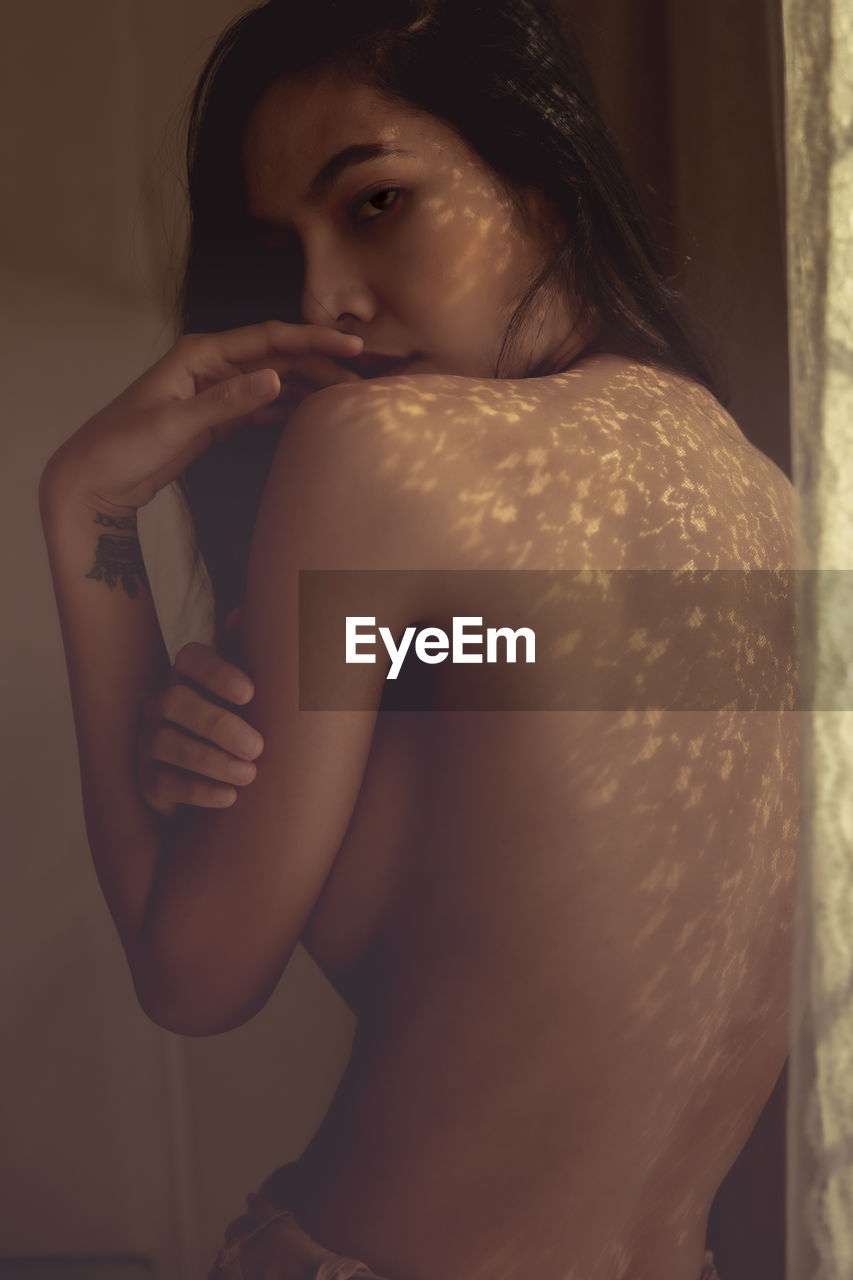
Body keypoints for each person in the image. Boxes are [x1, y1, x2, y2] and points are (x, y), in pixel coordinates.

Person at [37, 1, 799, 1277]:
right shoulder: (774, 509)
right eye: (284, 245)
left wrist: (89, 515)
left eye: (377, 201)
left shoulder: (386, 453)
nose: (325, 301)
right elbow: (514, 928)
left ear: (543, 187)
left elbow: (194, 976)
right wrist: (319, 721)